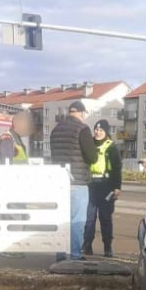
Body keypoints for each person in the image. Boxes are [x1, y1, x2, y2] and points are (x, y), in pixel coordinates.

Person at [49, 100, 98, 260]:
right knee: (77, 220)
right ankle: (76, 254)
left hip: (59, 181)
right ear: (82, 113)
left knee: (61, 219)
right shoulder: (82, 129)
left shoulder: (55, 130)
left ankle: (61, 254)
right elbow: (92, 157)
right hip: (77, 181)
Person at [83, 119, 123, 258]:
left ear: (105, 132)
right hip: (91, 185)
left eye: (101, 130)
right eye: (96, 129)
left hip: (106, 185)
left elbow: (117, 168)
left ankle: (107, 247)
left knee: (105, 218)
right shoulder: (88, 144)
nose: (98, 132)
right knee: (89, 218)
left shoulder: (111, 147)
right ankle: (87, 245)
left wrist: (117, 187)